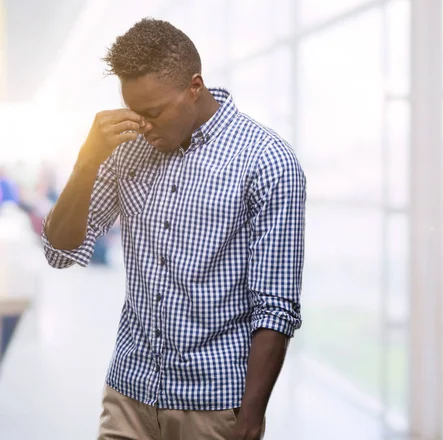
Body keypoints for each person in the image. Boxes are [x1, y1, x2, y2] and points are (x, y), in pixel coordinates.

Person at [42, 18, 306, 440]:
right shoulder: (126, 151)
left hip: (213, 405)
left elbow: (275, 306)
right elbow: (60, 251)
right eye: (134, 111)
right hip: (129, 393)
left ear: (194, 87)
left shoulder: (266, 162)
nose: (142, 125)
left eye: (154, 112)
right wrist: (88, 160)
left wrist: (251, 420)